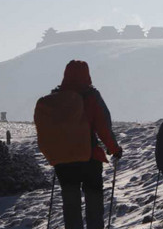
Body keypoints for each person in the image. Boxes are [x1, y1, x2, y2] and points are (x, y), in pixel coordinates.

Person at [36, 60, 122, 229]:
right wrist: (114, 149)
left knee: (71, 206)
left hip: (63, 161)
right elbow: (103, 126)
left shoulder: (56, 98)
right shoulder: (91, 96)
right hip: (89, 157)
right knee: (94, 204)